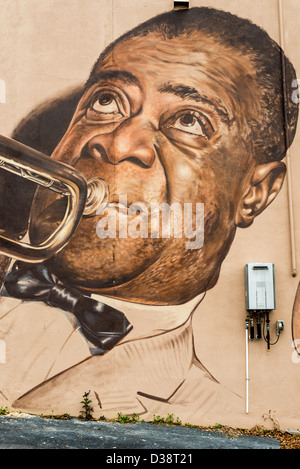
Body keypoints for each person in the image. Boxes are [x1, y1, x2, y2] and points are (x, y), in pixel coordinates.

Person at [0, 7, 298, 428]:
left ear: (255, 193)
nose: (118, 143)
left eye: (190, 121)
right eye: (106, 101)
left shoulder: (214, 420)